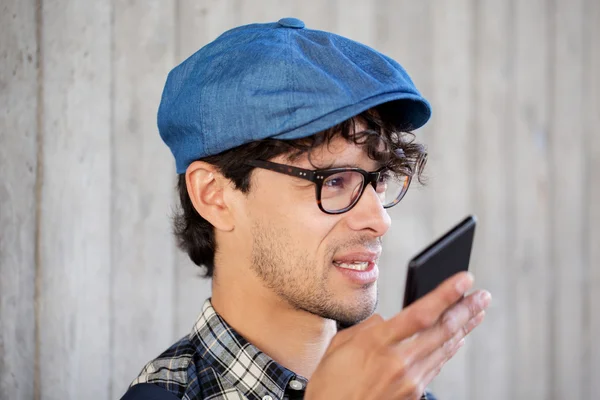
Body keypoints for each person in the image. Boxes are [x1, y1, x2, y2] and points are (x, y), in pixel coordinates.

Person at [121, 17, 491, 400]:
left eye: (378, 180)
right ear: (214, 194)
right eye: (332, 181)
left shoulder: (394, 388)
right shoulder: (167, 395)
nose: (379, 220)